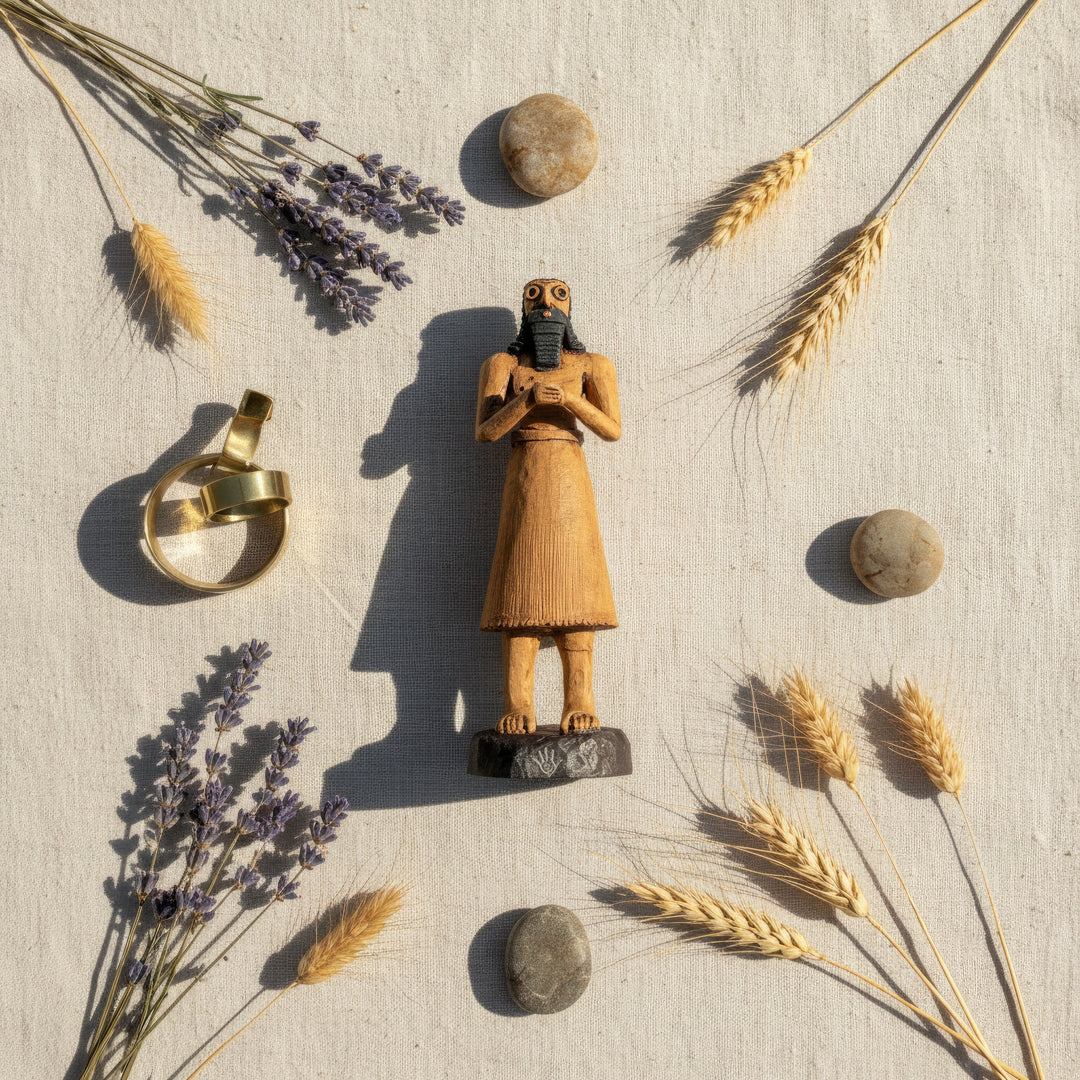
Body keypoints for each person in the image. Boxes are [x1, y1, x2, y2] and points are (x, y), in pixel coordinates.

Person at [475, 279, 621, 735]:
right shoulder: (503, 364)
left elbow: (612, 429)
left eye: (557, 296)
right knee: (520, 590)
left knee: (576, 590)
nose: (545, 305)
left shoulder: (592, 365)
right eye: (534, 296)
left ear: (570, 309)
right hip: (526, 474)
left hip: (569, 478)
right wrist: (526, 401)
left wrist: (573, 400)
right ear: (523, 308)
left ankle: (580, 700)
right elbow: (487, 431)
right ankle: (518, 704)